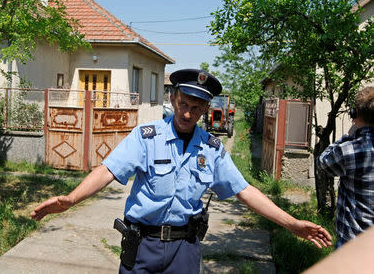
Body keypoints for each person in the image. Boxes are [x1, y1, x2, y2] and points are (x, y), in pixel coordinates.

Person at [31, 69, 332, 273]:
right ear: (174, 98)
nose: (187, 113)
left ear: (205, 109)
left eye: (196, 108)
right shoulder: (146, 136)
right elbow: (108, 170)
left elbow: (245, 190)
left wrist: (291, 223)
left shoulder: (212, 148)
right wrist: (71, 199)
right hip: (142, 245)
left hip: (185, 250)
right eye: (183, 103)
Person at [317, 86, 373, 249]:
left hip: (353, 247)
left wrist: (345, 138)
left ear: (354, 113)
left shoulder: (349, 150)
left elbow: (323, 162)